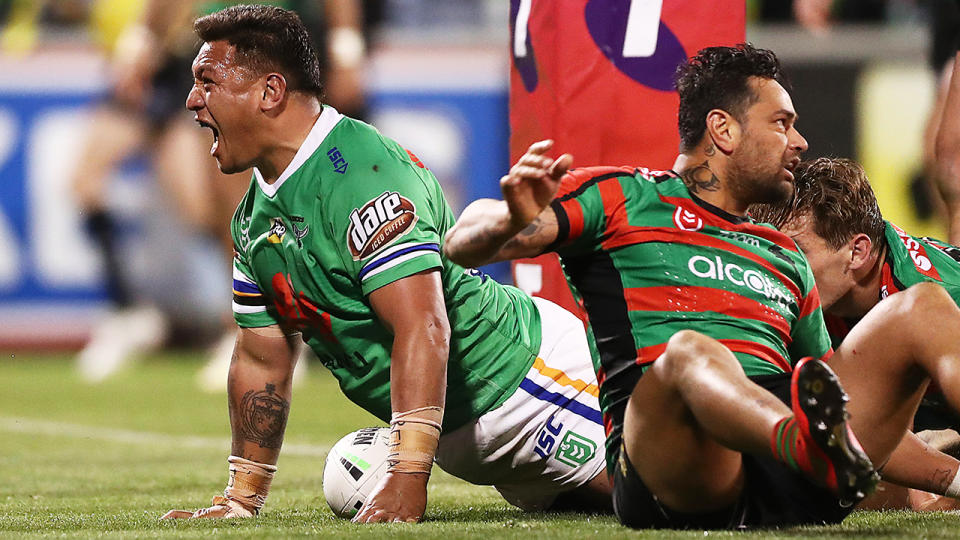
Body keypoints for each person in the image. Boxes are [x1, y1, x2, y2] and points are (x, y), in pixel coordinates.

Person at [443, 43, 960, 529]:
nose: (800, 141)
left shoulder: (784, 255)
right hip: (678, 465)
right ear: (724, 130)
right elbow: (460, 244)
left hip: (790, 469)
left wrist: (948, 477)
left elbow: (831, 403)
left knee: (924, 306)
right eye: (782, 123)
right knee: (689, 352)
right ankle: (800, 446)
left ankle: (811, 451)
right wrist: (509, 219)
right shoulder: (626, 198)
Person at [161, 5, 610, 523]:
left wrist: (407, 477)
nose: (193, 100)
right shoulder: (252, 217)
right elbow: (263, 359)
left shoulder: (362, 175)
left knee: (679, 498)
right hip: (462, 431)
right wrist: (241, 500)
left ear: (270, 92)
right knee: (344, 475)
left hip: (528, 389)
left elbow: (423, 326)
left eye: (207, 82)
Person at [71, 0, 370, 386]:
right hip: (205, 47)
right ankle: (272, 321)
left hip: (270, 41)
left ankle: (279, 330)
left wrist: (346, 48)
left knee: (260, 192)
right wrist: (143, 41)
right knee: (209, 204)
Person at [748, 156, 960, 510]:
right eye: (770, 250)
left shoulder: (937, 297)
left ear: (857, 252)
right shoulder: (820, 293)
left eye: (796, 251)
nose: (775, 269)